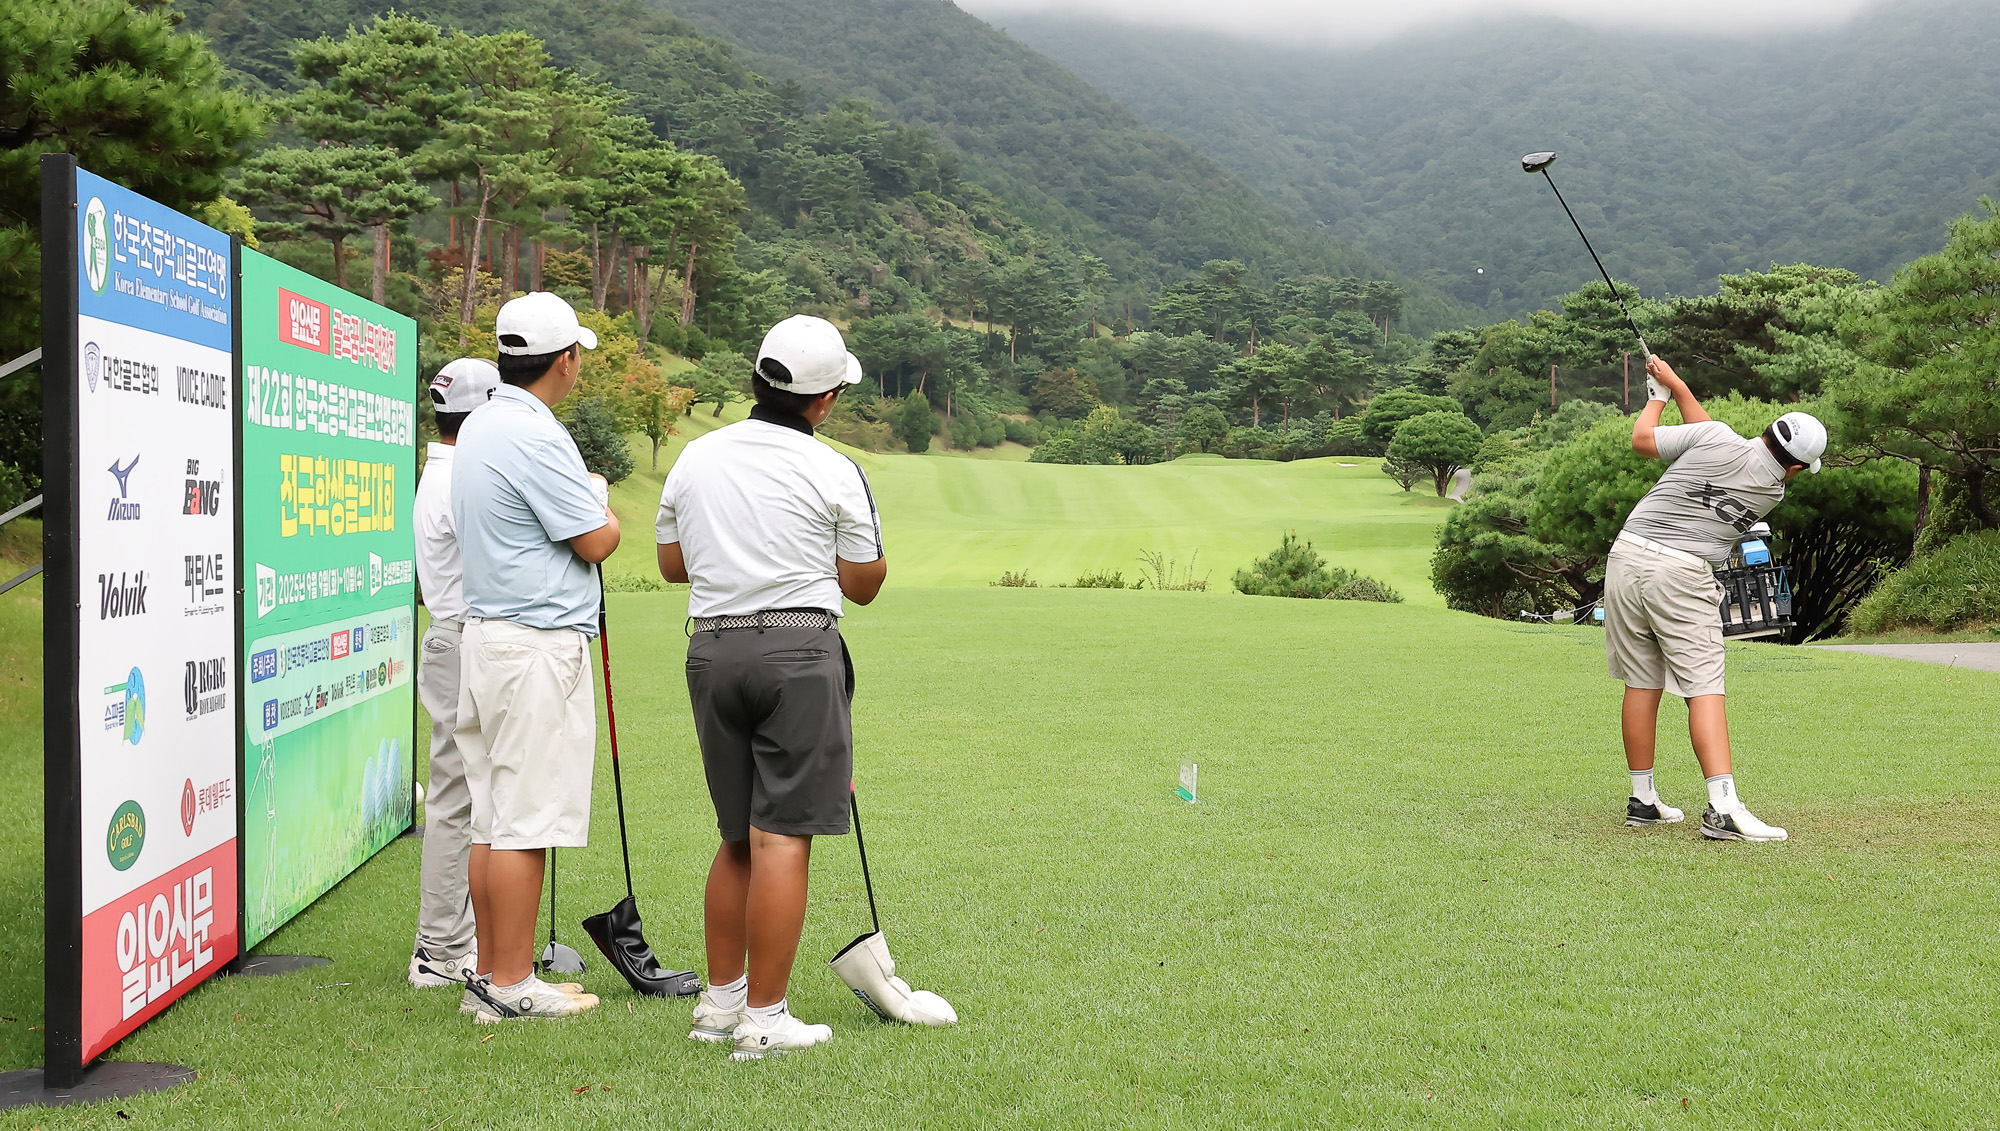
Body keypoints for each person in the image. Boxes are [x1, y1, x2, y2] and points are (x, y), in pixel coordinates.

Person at [655, 314, 885, 1061]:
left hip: (713, 651)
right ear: (824, 402)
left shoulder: (695, 456)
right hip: (797, 652)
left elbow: (671, 564)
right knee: (782, 835)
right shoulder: (836, 469)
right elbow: (866, 582)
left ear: (757, 380)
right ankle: (765, 1015)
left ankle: (720, 1004)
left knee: (736, 836)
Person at [451, 292, 620, 1022]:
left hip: (488, 638)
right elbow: (596, 539)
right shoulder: (538, 434)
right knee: (523, 819)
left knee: (491, 817)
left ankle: (491, 975)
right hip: (534, 645)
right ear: (566, 360)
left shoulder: (483, 420)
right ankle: (514, 983)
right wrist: (605, 506)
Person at [1605, 355, 1826, 843]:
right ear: (1792, 465)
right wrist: (1678, 387)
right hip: (1681, 574)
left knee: (1642, 682)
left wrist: (1658, 398)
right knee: (1704, 686)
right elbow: (1712, 437)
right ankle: (1723, 808)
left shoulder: (1719, 439)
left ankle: (1642, 800)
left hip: (1626, 557)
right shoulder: (1771, 489)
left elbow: (1646, 440)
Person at [408, 357, 500, 989]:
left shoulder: (441, 471)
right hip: (463, 640)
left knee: (462, 797)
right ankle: (441, 950)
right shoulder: (456, 482)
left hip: (452, 639)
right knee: (456, 800)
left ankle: (455, 941)